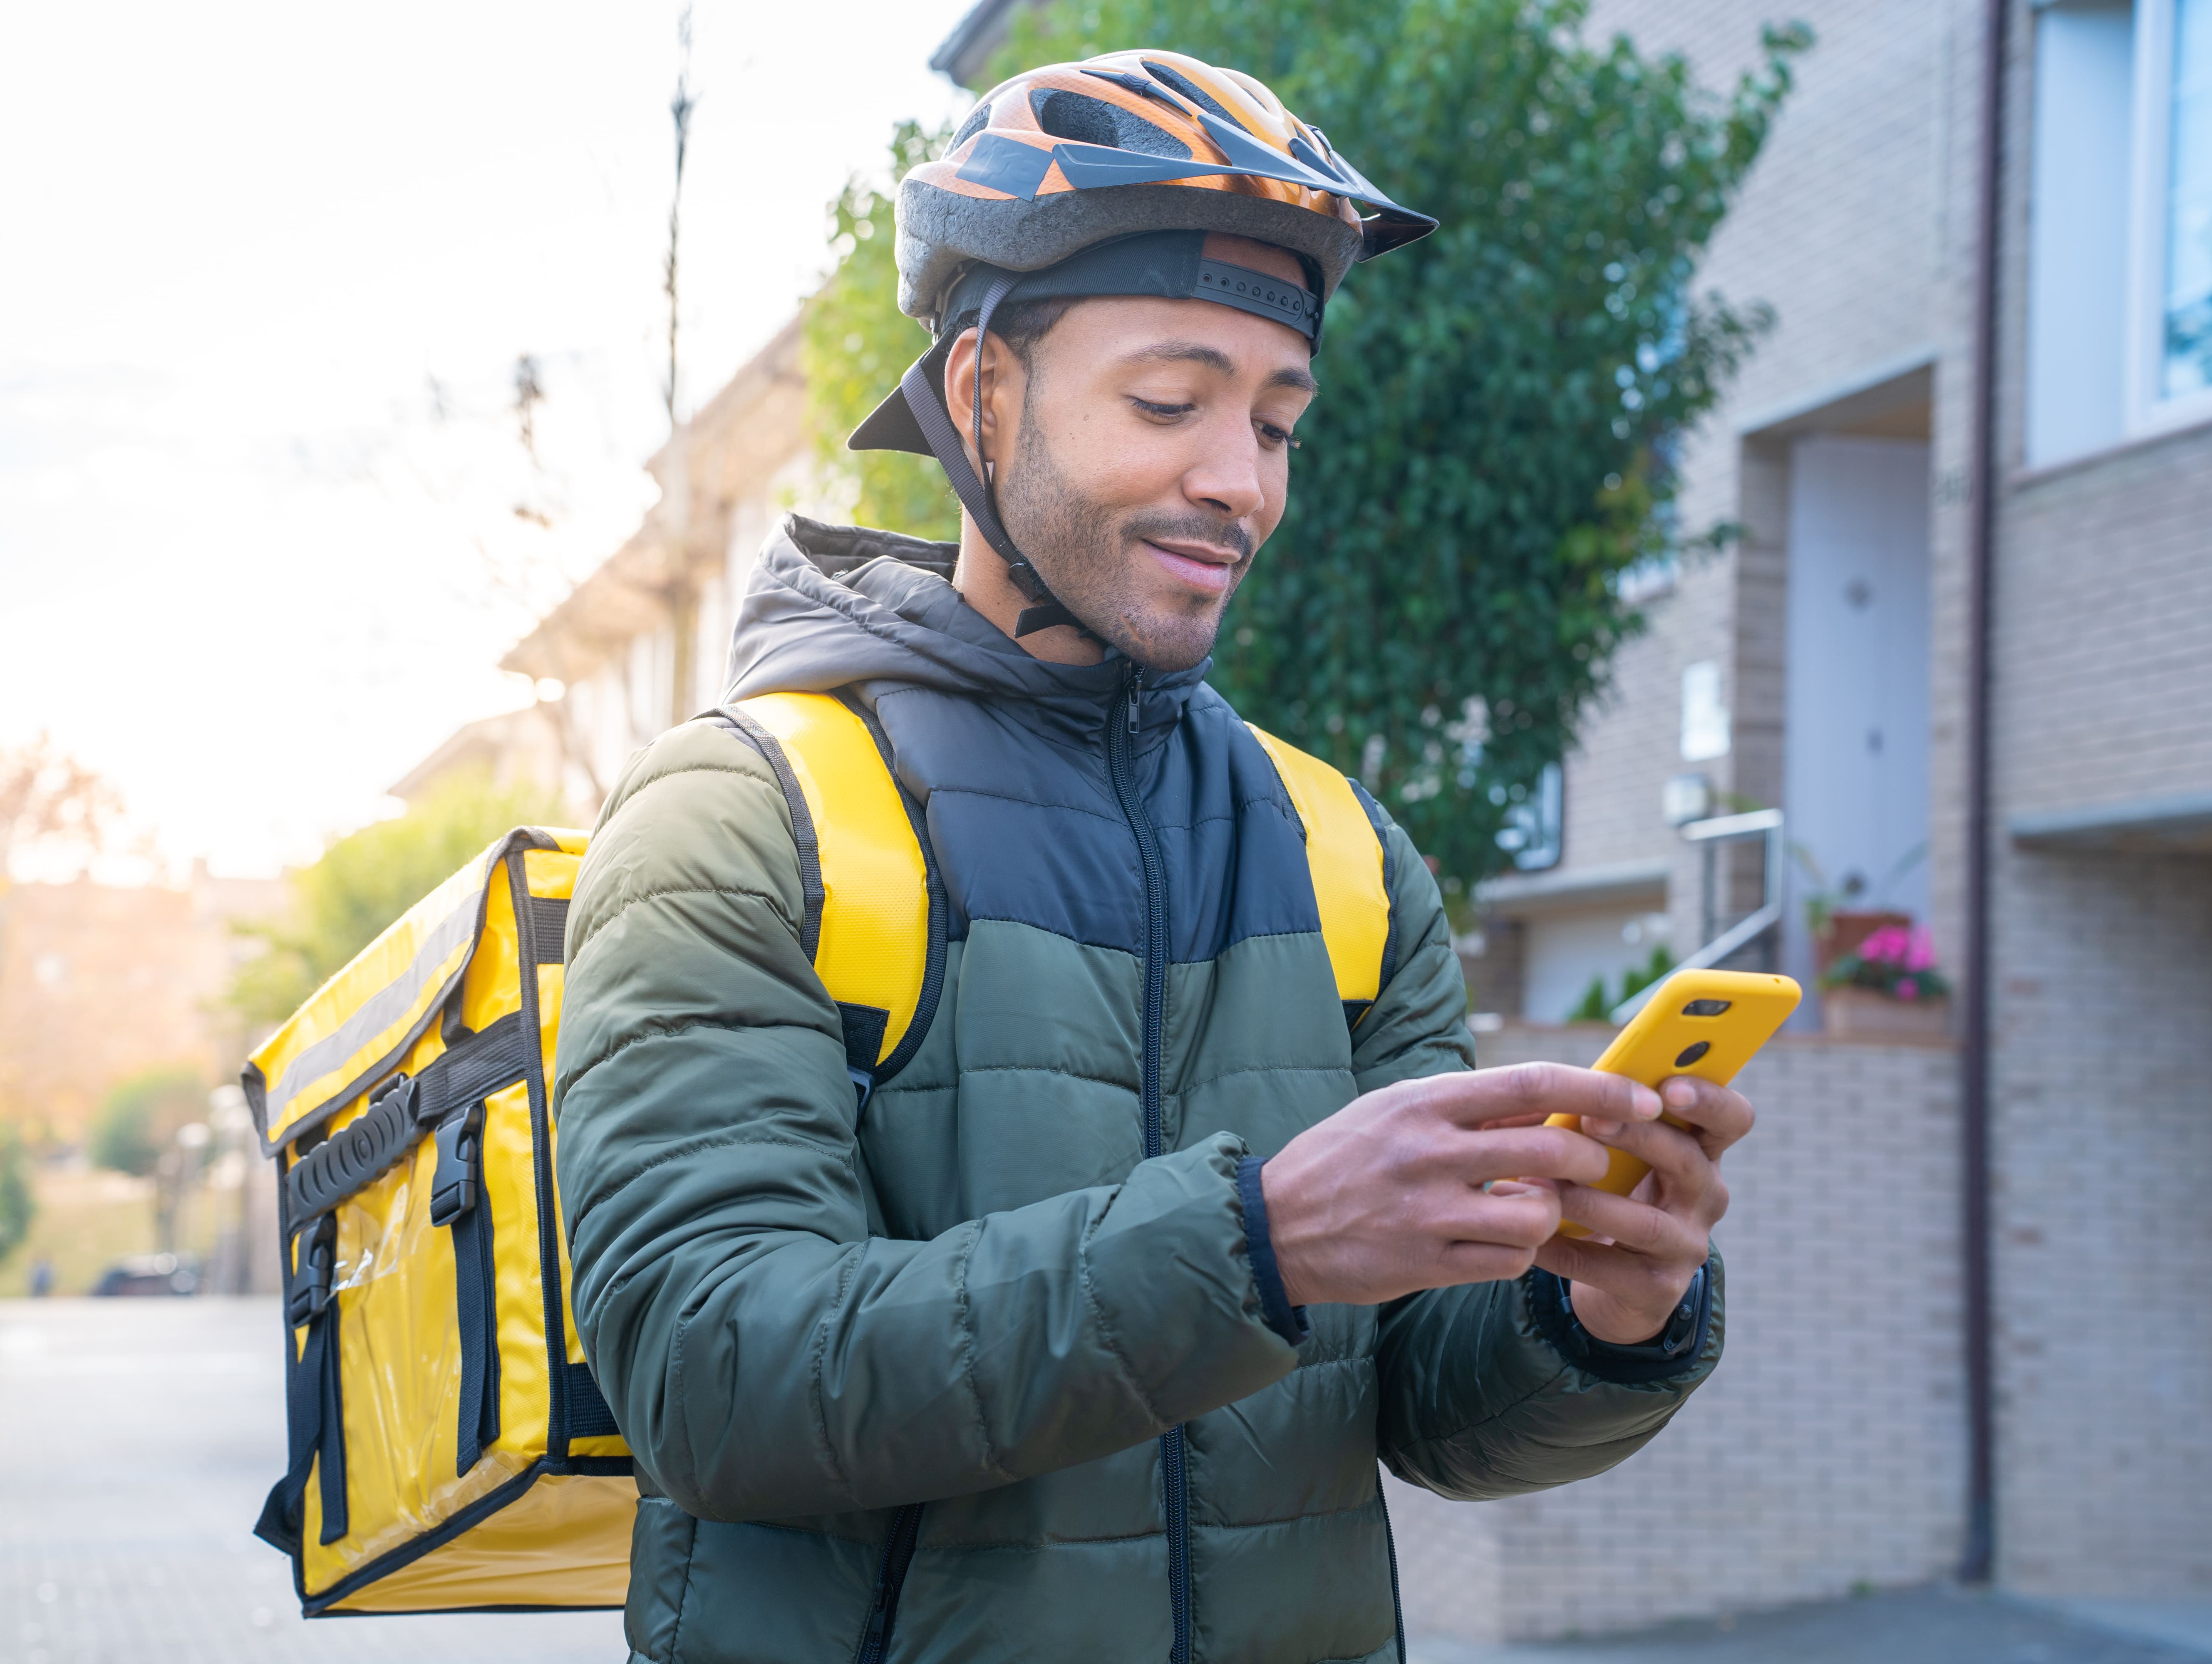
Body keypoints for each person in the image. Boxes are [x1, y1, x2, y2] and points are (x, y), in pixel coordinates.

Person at [556, 50, 1754, 1664]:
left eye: (1276, 419)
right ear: (981, 392)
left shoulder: (1340, 850)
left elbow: (1425, 1414)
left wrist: (1605, 1313)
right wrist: (1256, 1242)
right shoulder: (745, 810)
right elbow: (711, 1379)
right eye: (1170, 400)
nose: (1239, 481)